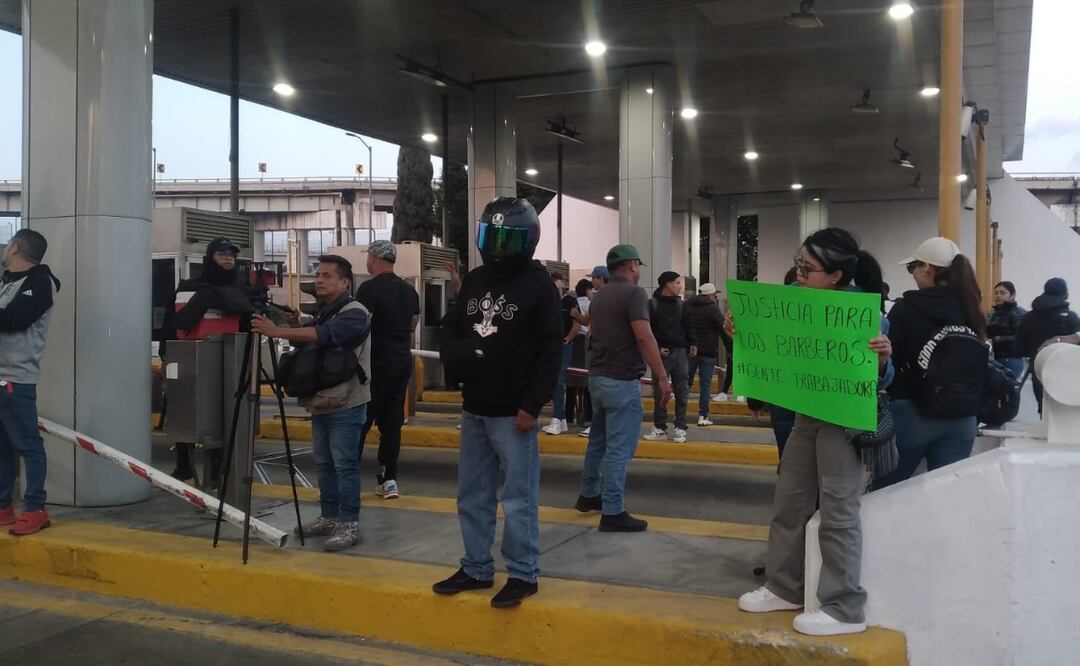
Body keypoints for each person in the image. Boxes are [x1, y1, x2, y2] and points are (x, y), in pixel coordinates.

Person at [738, 227, 893, 637]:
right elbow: (776, 352)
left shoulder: (865, 313)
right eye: (799, 264)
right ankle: (784, 586)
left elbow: (884, 379)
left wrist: (882, 360)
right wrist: (745, 334)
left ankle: (844, 607)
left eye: (808, 268)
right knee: (788, 502)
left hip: (845, 421)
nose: (799, 274)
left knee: (839, 513)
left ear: (836, 275)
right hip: (806, 417)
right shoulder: (793, 303)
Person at [433, 197, 561, 609]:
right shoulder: (475, 279)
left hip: (513, 412)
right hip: (475, 407)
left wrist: (532, 404)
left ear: (529, 241)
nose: (498, 248)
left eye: (509, 240)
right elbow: (452, 324)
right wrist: (454, 353)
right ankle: (476, 567)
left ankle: (523, 573)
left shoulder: (539, 285)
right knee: (472, 494)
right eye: (493, 237)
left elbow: (550, 351)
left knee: (519, 499)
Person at [251, 255, 372, 552]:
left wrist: (278, 331)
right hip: (322, 399)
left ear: (345, 282)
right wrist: (295, 325)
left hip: (346, 400)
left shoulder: (355, 313)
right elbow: (314, 342)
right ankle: (329, 517)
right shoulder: (327, 311)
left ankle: (349, 523)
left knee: (344, 465)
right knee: (324, 463)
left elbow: (326, 336)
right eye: (318, 275)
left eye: (327, 276)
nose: (319, 280)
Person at [873, 237, 986, 489]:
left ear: (927, 267)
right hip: (963, 418)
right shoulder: (971, 308)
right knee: (947, 498)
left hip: (911, 414)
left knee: (884, 497)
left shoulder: (906, 307)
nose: (912, 274)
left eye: (912, 267)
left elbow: (891, 361)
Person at [575, 244, 673, 532]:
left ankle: (589, 494)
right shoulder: (634, 294)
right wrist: (662, 376)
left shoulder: (600, 296)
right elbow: (644, 337)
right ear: (632, 265)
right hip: (621, 381)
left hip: (598, 378)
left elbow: (592, 335)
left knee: (598, 441)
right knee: (619, 448)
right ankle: (613, 510)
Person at [160, 237, 256, 482]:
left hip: (229, 358)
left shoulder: (242, 289)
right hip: (191, 358)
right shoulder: (190, 287)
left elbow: (248, 325)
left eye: (231, 255)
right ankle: (184, 466)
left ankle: (216, 469)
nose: (228, 258)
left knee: (223, 415)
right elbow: (172, 322)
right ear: (210, 257)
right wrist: (166, 354)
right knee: (185, 411)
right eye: (222, 254)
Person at [0, 229, 61, 537]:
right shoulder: (5, 282)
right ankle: (3, 506)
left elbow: (14, 320)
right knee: (1, 445)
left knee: (28, 445)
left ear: (15, 248)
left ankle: (36, 508)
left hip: (16, 378)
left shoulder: (40, 282)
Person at [355, 240, 420, 499]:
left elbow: (358, 325)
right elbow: (413, 325)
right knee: (392, 424)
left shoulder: (368, 289)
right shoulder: (409, 291)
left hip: (374, 363)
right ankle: (388, 479)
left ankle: (347, 478)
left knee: (360, 422)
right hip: (401, 362)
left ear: (373, 258)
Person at [643, 271, 696, 443]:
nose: (680, 287)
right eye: (677, 283)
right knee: (660, 392)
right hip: (661, 354)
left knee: (682, 390)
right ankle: (660, 427)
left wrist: (693, 343)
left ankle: (681, 427)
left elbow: (688, 325)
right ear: (668, 284)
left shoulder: (682, 305)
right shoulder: (652, 304)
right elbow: (647, 330)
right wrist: (657, 348)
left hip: (680, 351)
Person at [1017, 277, 1080, 414]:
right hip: (1068, 372)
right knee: (1068, 414)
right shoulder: (1070, 317)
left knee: (1045, 411)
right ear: (1065, 294)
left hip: (1039, 369)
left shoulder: (1027, 318)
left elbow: (1019, 349)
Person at [542, 273, 581, 435]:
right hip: (548, 346)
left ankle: (557, 418)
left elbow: (577, 324)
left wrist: (567, 339)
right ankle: (561, 418)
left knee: (558, 380)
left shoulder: (569, 300)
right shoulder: (545, 300)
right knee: (552, 381)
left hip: (564, 346)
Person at [687, 283, 725, 426]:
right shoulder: (712, 308)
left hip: (690, 351)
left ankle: (680, 414)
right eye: (714, 295)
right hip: (708, 352)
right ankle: (703, 416)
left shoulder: (687, 306)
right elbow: (723, 327)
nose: (715, 297)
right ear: (710, 295)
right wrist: (731, 347)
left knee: (686, 383)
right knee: (705, 384)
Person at [564, 279, 594, 430]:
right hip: (586, 343)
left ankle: (569, 415)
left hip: (573, 342)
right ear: (588, 290)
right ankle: (588, 416)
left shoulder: (573, 303)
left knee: (571, 379)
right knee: (587, 380)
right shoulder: (591, 304)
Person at [986, 280, 1027, 378]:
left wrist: (996, 339)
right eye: (996, 293)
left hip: (1011, 359)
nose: (998, 296)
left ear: (1012, 295)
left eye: (1002, 293)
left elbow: (1022, 337)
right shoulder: (994, 313)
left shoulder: (1018, 313)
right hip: (996, 358)